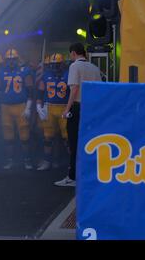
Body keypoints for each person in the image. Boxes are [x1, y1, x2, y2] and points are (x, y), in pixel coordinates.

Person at [54, 43, 101, 187]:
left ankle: (73, 176)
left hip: (78, 107)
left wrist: (67, 109)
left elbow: (74, 89)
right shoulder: (94, 68)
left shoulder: (75, 66)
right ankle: (89, 174)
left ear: (73, 53)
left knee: (74, 143)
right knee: (89, 143)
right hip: (91, 108)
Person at [0, 48, 34, 170]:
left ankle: (27, 159)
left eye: (13, 59)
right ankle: (10, 160)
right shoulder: (1, 72)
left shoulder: (25, 70)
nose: (11, 62)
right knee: (8, 136)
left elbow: (30, 90)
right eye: (9, 59)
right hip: (5, 106)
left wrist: (28, 106)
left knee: (24, 135)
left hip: (20, 105)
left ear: (17, 59)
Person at [36, 53, 70, 171]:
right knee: (48, 136)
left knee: (67, 137)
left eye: (57, 65)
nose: (54, 67)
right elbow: (40, 91)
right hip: (49, 107)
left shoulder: (68, 74)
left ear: (62, 64)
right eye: (53, 65)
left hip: (63, 107)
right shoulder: (45, 75)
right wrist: (38, 106)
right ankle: (47, 161)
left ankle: (72, 162)